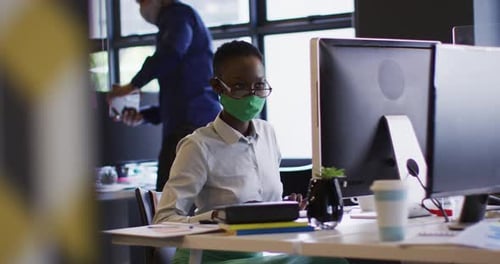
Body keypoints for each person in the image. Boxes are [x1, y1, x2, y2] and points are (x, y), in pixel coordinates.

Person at [153, 40, 348, 264]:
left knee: (329, 259)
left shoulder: (268, 135)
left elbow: (258, 210)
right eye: (239, 86)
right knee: (320, 262)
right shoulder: (198, 146)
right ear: (217, 87)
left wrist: (282, 208)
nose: (251, 95)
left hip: (255, 254)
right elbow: (163, 220)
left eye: (258, 85)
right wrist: (217, 216)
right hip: (207, 259)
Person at [107, 0, 221, 191]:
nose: (140, 7)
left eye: (142, 0)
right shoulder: (184, 20)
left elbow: (171, 52)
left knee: (167, 204)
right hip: (198, 122)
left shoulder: (177, 15)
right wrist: (144, 116)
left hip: (188, 129)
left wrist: (132, 85)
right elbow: (180, 96)